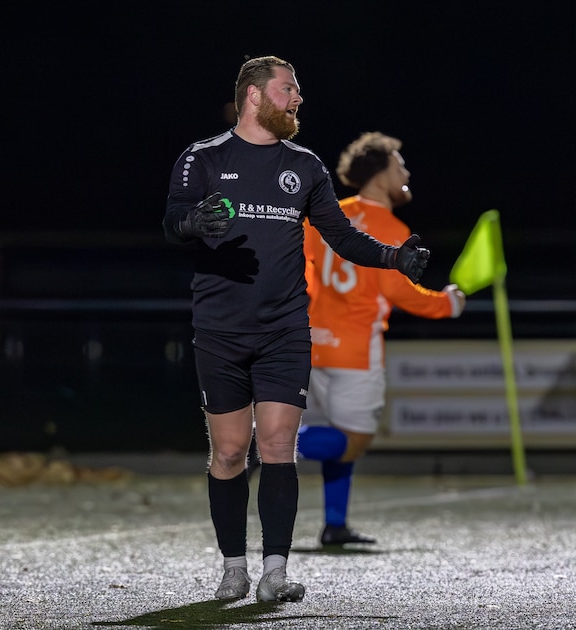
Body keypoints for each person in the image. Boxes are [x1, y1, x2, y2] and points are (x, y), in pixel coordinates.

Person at [163, 56, 429, 603]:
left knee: (279, 444)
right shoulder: (202, 158)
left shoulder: (305, 166)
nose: (298, 98)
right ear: (255, 96)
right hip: (220, 329)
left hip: (285, 329)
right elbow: (172, 222)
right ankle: (233, 568)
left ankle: (274, 574)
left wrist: (393, 258)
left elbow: (341, 236)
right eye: (289, 89)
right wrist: (193, 223)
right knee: (232, 452)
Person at [298, 131, 465, 549]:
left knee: (332, 438)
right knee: (356, 438)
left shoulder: (326, 213)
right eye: (398, 165)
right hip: (356, 350)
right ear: (378, 174)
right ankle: (266, 444)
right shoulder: (391, 227)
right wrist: (449, 303)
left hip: (313, 342)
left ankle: (334, 524)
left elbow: (298, 271)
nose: (406, 172)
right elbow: (401, 292)